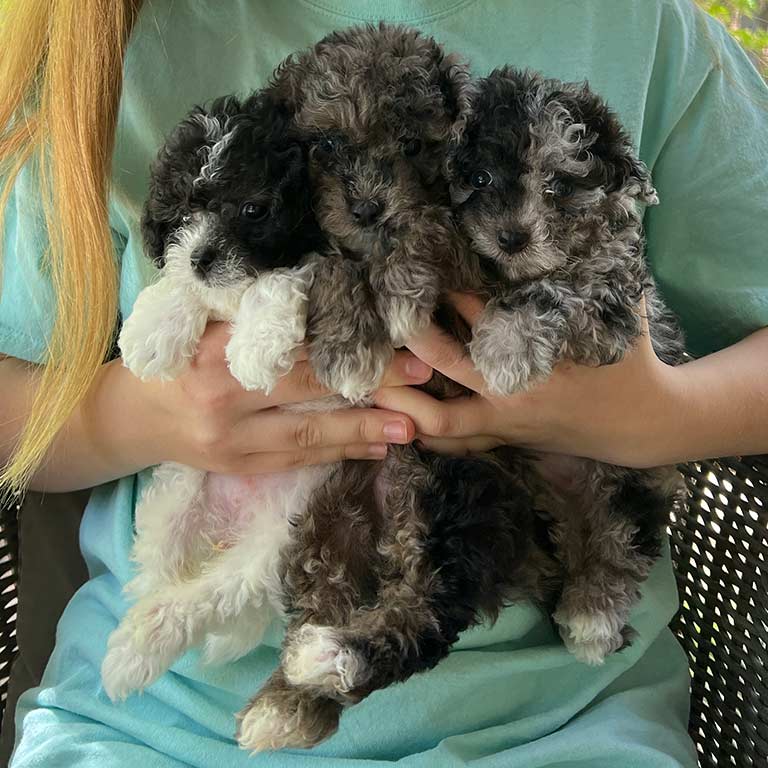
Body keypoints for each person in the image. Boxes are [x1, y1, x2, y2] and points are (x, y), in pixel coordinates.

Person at [1, 1, 766, 765]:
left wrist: (657, 417)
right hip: (156, 724)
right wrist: (147, 414)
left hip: (557, 726)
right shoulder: (99, 44)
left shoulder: (646, 32)